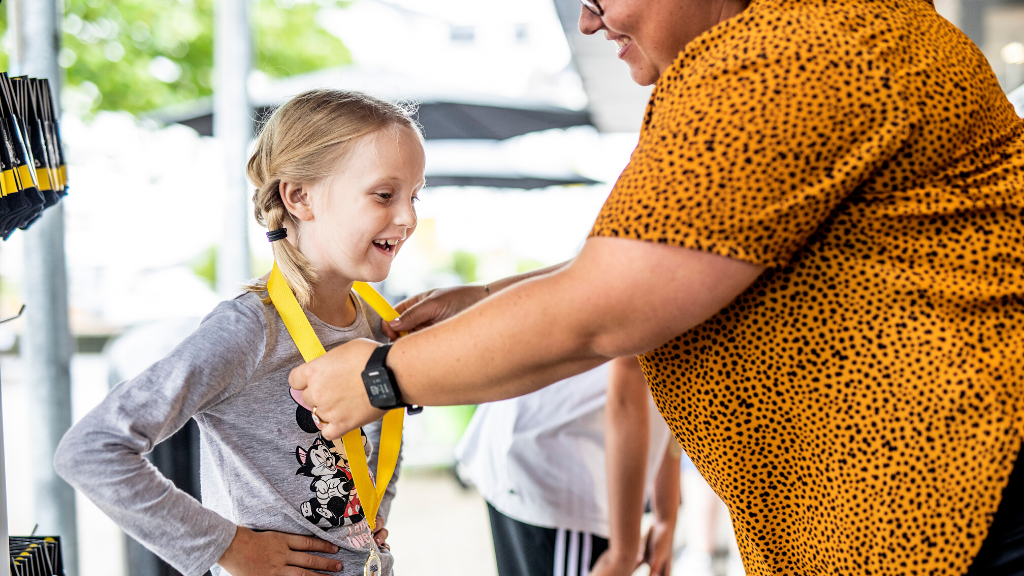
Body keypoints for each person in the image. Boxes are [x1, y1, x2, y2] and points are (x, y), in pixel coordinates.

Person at [289, 0, 1024, 574]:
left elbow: (609, 309)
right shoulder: (798, 41)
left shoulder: (794, 52)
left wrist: (383, 379)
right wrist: (489, 301)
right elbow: (683, 250)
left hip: (965, 501)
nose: (586, 19)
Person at [54, 89, 426, 576]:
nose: (409, 218)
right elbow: (91, 450)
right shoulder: (250, 330)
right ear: (299, 197)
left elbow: (377, 442)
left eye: (414, 195)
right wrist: (227, 546)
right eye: (384, 195)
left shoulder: (380, 324)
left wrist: (369, 515)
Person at [455, 356, 680, 576]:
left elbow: (663, 371)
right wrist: (623, 554)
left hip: (540, 449)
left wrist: (666, 512)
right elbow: (629, 387)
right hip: (564, 469)